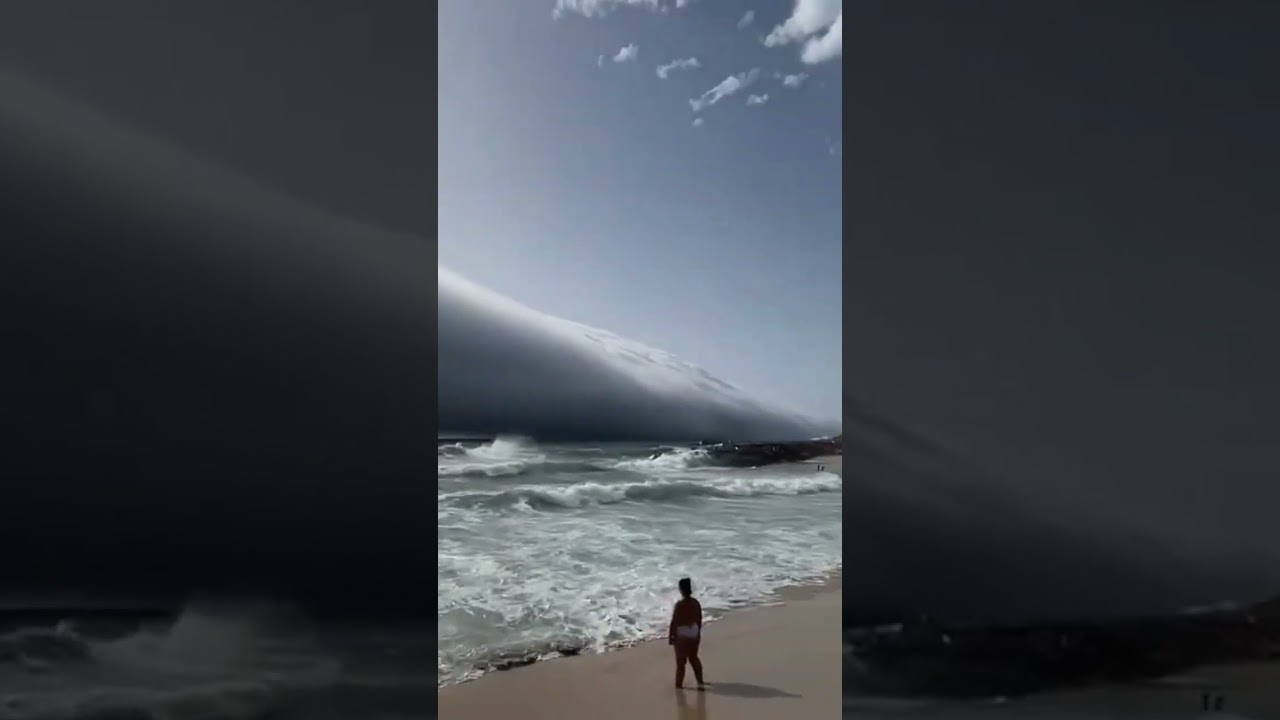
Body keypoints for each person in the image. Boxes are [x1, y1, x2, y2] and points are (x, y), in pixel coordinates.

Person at [668, 577, 705, 689]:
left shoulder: (679, 605)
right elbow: (699, 619)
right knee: (694, 658)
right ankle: (700, 682)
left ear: (681, 590)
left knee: (681, 662)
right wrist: (698, 633)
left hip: (683, 634)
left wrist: (671, 636)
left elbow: (675, 622)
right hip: (694, 631)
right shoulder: (695, 602)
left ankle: (679, 685)